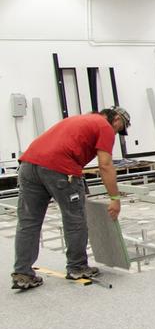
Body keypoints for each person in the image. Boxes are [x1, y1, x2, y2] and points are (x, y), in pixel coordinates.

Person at [11, 107, 131, 290]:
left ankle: (22, 273)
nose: (117, 132)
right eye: (119, 128)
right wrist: (114, 197)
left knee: (28, 222)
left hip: (28, 167)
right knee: (74, 219)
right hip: (59, 169)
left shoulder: (79, 120)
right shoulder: (104, 127)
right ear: (115, 119)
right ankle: (78, 266)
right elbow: (105, 165)